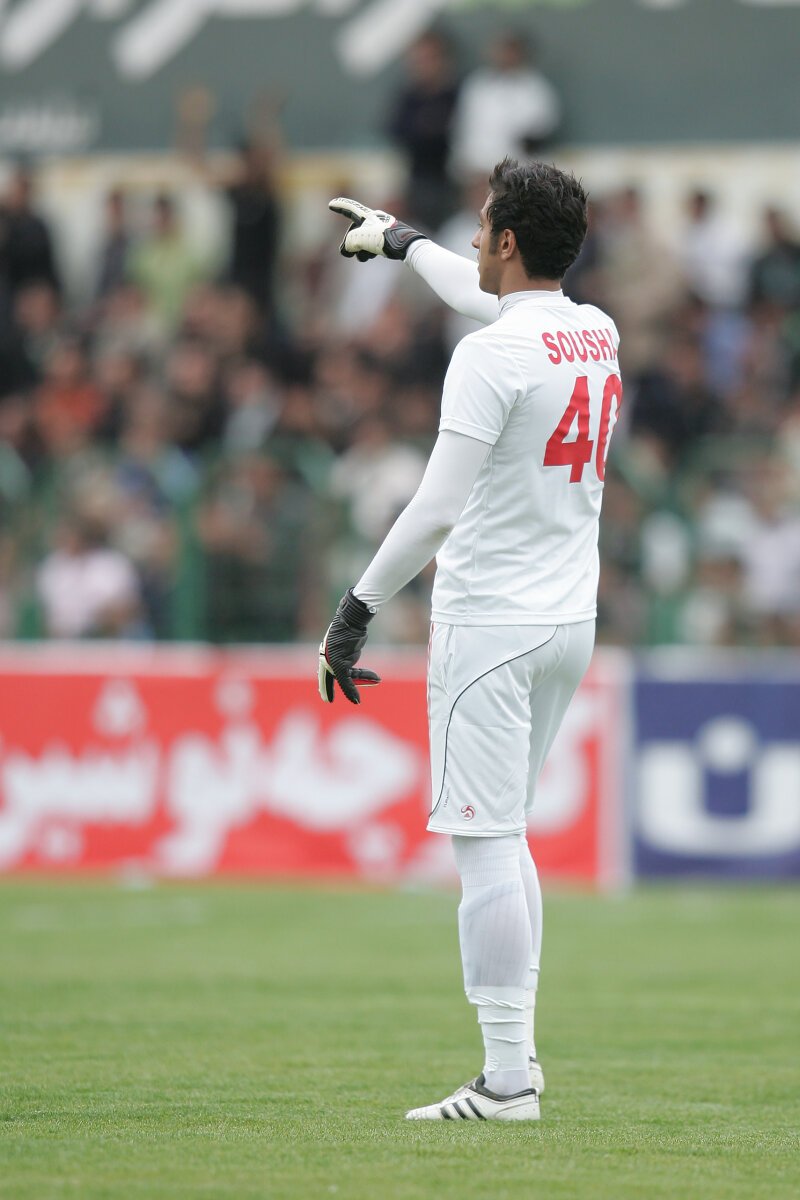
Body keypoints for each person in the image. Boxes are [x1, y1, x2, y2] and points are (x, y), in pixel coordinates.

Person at [319, 159, 622, 1121]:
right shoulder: (596, 330)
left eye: (485, 224)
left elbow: (436, 509)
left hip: (489, 622)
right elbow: (483, 292)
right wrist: (404, 242)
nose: (477, 238)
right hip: (565, 622)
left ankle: (505, 1081)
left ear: (509, 241)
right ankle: (515, 1067)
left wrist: (356, 608)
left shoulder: (489, 356)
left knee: (484, 844)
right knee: (508, 834)